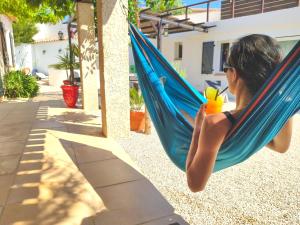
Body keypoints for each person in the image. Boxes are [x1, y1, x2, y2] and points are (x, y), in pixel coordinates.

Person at [184, 34, 293, 192]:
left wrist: (198, 130)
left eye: (226, 68)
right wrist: (258, 132)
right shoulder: (281, 112)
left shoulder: (216, 124)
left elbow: (195, 184)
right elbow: (281, 147)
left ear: (234, 73)